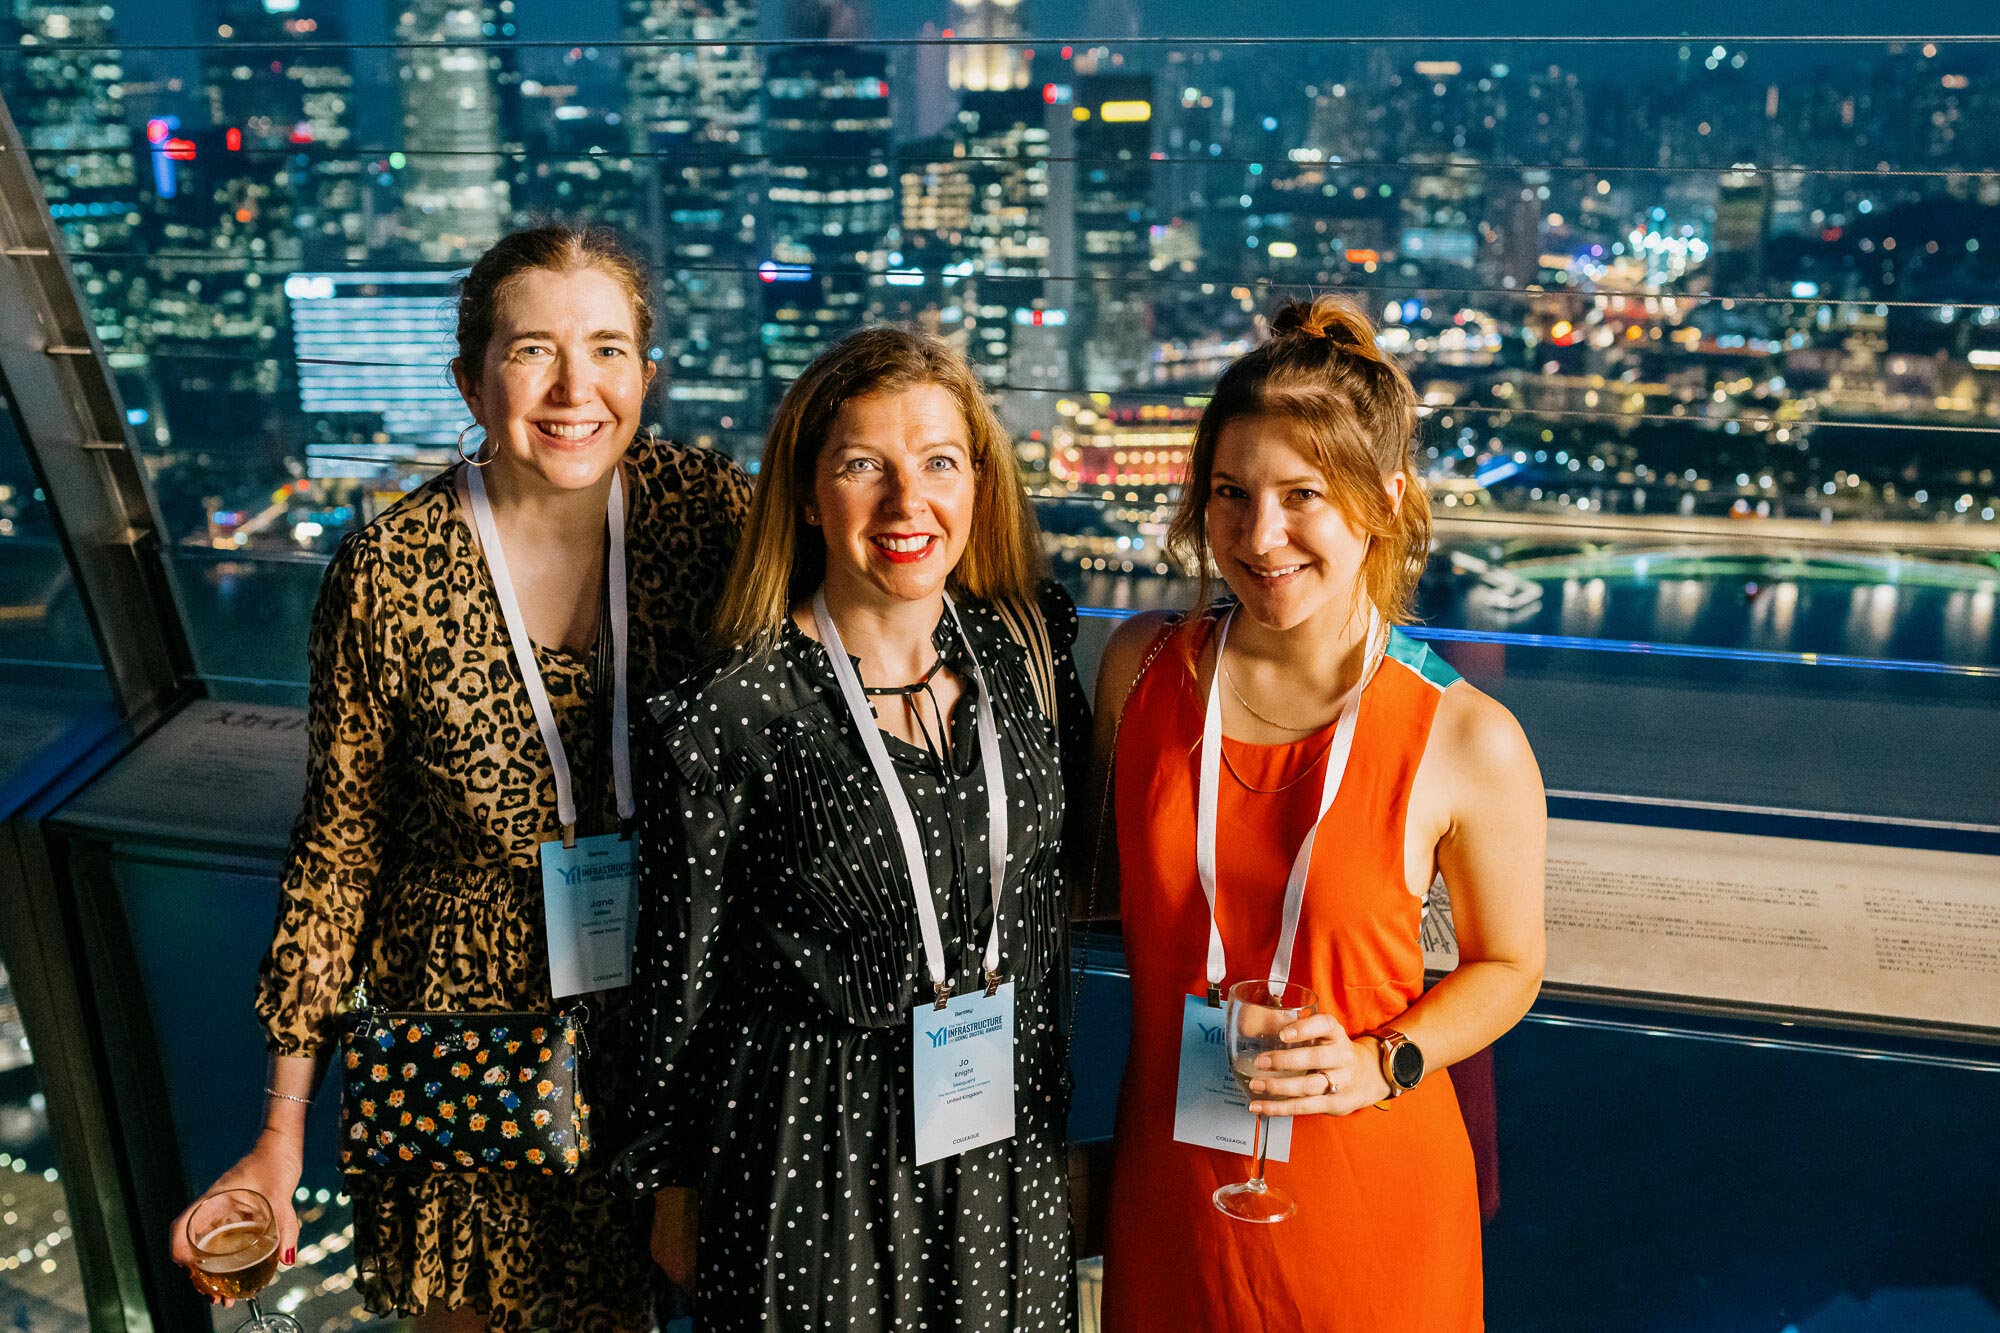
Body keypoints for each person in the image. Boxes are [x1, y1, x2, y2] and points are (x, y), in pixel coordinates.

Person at [168, 223, 751, 1331]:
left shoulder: (708, 516)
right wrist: (280, 1133)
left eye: (608, 350)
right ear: (470, 383)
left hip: (668, 1030)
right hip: (465, 1038)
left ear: (647, 374)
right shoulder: (386, 573)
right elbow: (337, 855)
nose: (575, 388)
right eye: (532, 351)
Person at [614, 327, 1090, 1331]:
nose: (907, 502)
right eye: (863, 465)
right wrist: (671, 1187)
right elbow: (675, 983)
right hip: (810, 1158)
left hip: (1003, 1145)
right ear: (804, 493)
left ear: (980, 482)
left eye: (939, 463)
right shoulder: (729, 710)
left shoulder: (1024, 650)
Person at [1092, 295, 1547, 1331]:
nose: (1260, 537)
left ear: (1382, 501)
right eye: (1230, 493)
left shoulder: (1465, 737)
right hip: (1172, 1188)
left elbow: (1510, 964)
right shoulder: (1141, 669)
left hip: (1368, 1191)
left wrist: (1383, 1060)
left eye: (1303, 494)